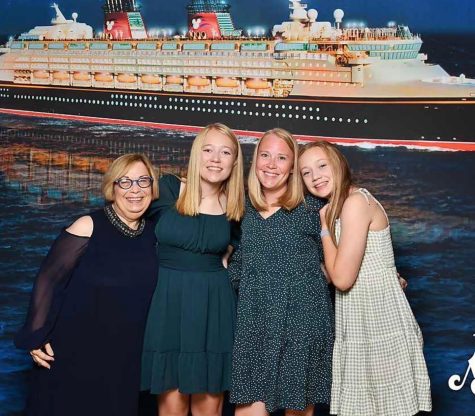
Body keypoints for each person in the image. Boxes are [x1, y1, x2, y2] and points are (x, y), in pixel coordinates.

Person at [14, 153, 160, 416]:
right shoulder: (88, 226)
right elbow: (48, 280)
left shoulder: (155, 235)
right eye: (125, 182)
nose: (135, 190)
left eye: (143, 181)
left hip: (124, 359)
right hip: (75, 354)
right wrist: (35, 337)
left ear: (153, 187)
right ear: (112, 187)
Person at [298, 141, 432, 416]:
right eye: (306, 172)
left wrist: (324, 227)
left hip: (377, 321)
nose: (315, 177)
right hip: (361, 319)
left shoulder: (355, 202)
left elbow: (343, 279)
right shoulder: (344, 203)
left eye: (322, 166)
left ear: (339, 164)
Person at [140, 123, 245, 416]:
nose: (215, 159)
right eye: (208, 150)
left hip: (213, 307)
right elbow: (127, 223)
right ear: (196, 154)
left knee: (207, 411)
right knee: (171, 409)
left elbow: (244, 247)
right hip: (167, 303)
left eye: (225, 152)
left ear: (234, 162)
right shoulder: (170, 188)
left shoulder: (235, 206)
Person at [229, 128, 334, 416]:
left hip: (301, 322)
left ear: (292, 167)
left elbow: (342, 256)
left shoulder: (313, 207)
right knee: (248, 409)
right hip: (254, 322)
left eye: (282, 158)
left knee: (298, 411)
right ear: (255, 159)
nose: (272, 165)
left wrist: (386, 274)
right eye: (265, 155)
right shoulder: (241, 205)